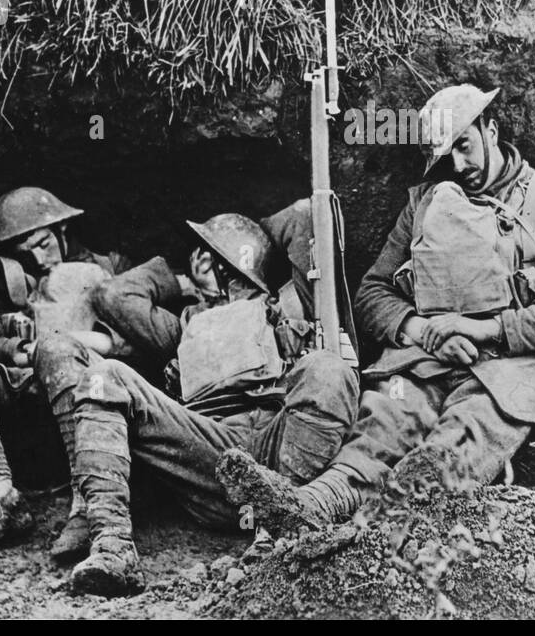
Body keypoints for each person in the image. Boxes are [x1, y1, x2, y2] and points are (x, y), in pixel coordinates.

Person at [218, 83, 535, 534]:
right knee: (384, 417)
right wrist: (423, 330)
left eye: (465, 145)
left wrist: (483, 329)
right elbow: (373, 292)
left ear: (491, 131)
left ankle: (385, 530)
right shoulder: (424, 204)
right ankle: (318, 503)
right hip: (422, 362)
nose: (458, 166)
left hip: (508, 371)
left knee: (459, 439)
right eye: (446, 156)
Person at [67, 212, 360, 597]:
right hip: (210, 455)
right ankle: (112, 548)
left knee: (328, 367)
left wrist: (252, 243)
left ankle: (281, 525)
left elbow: (308, 215)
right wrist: (183, 279)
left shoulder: (291, 304)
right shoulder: (184, 323)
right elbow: (113, 296)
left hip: (283, 444)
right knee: (105, 377)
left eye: (206, 254)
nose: (200, 260)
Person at [0, 186, 129, 558]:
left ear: (62, 230)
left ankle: (87, 504)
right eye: (23, 251)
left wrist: (68, 342)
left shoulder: (107, 268)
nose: (37, 257)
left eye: (43, 243)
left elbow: (134, 336)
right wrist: (23, 349)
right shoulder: (8, 282)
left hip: (86, 393)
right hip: (23, 399)